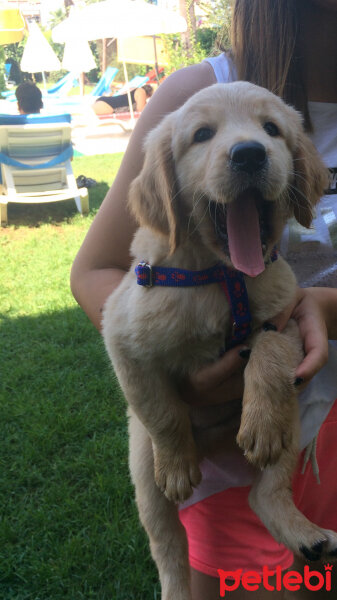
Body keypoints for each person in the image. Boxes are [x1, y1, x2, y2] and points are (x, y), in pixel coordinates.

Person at [71, 0, 337, 597]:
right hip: (219, 463)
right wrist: (172, 421)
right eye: (205, 137)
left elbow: (285, 311)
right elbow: (97, 275)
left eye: (270, 131)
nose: (248, 146)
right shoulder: (196, 89)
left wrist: (320, 310)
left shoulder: (274, 272)